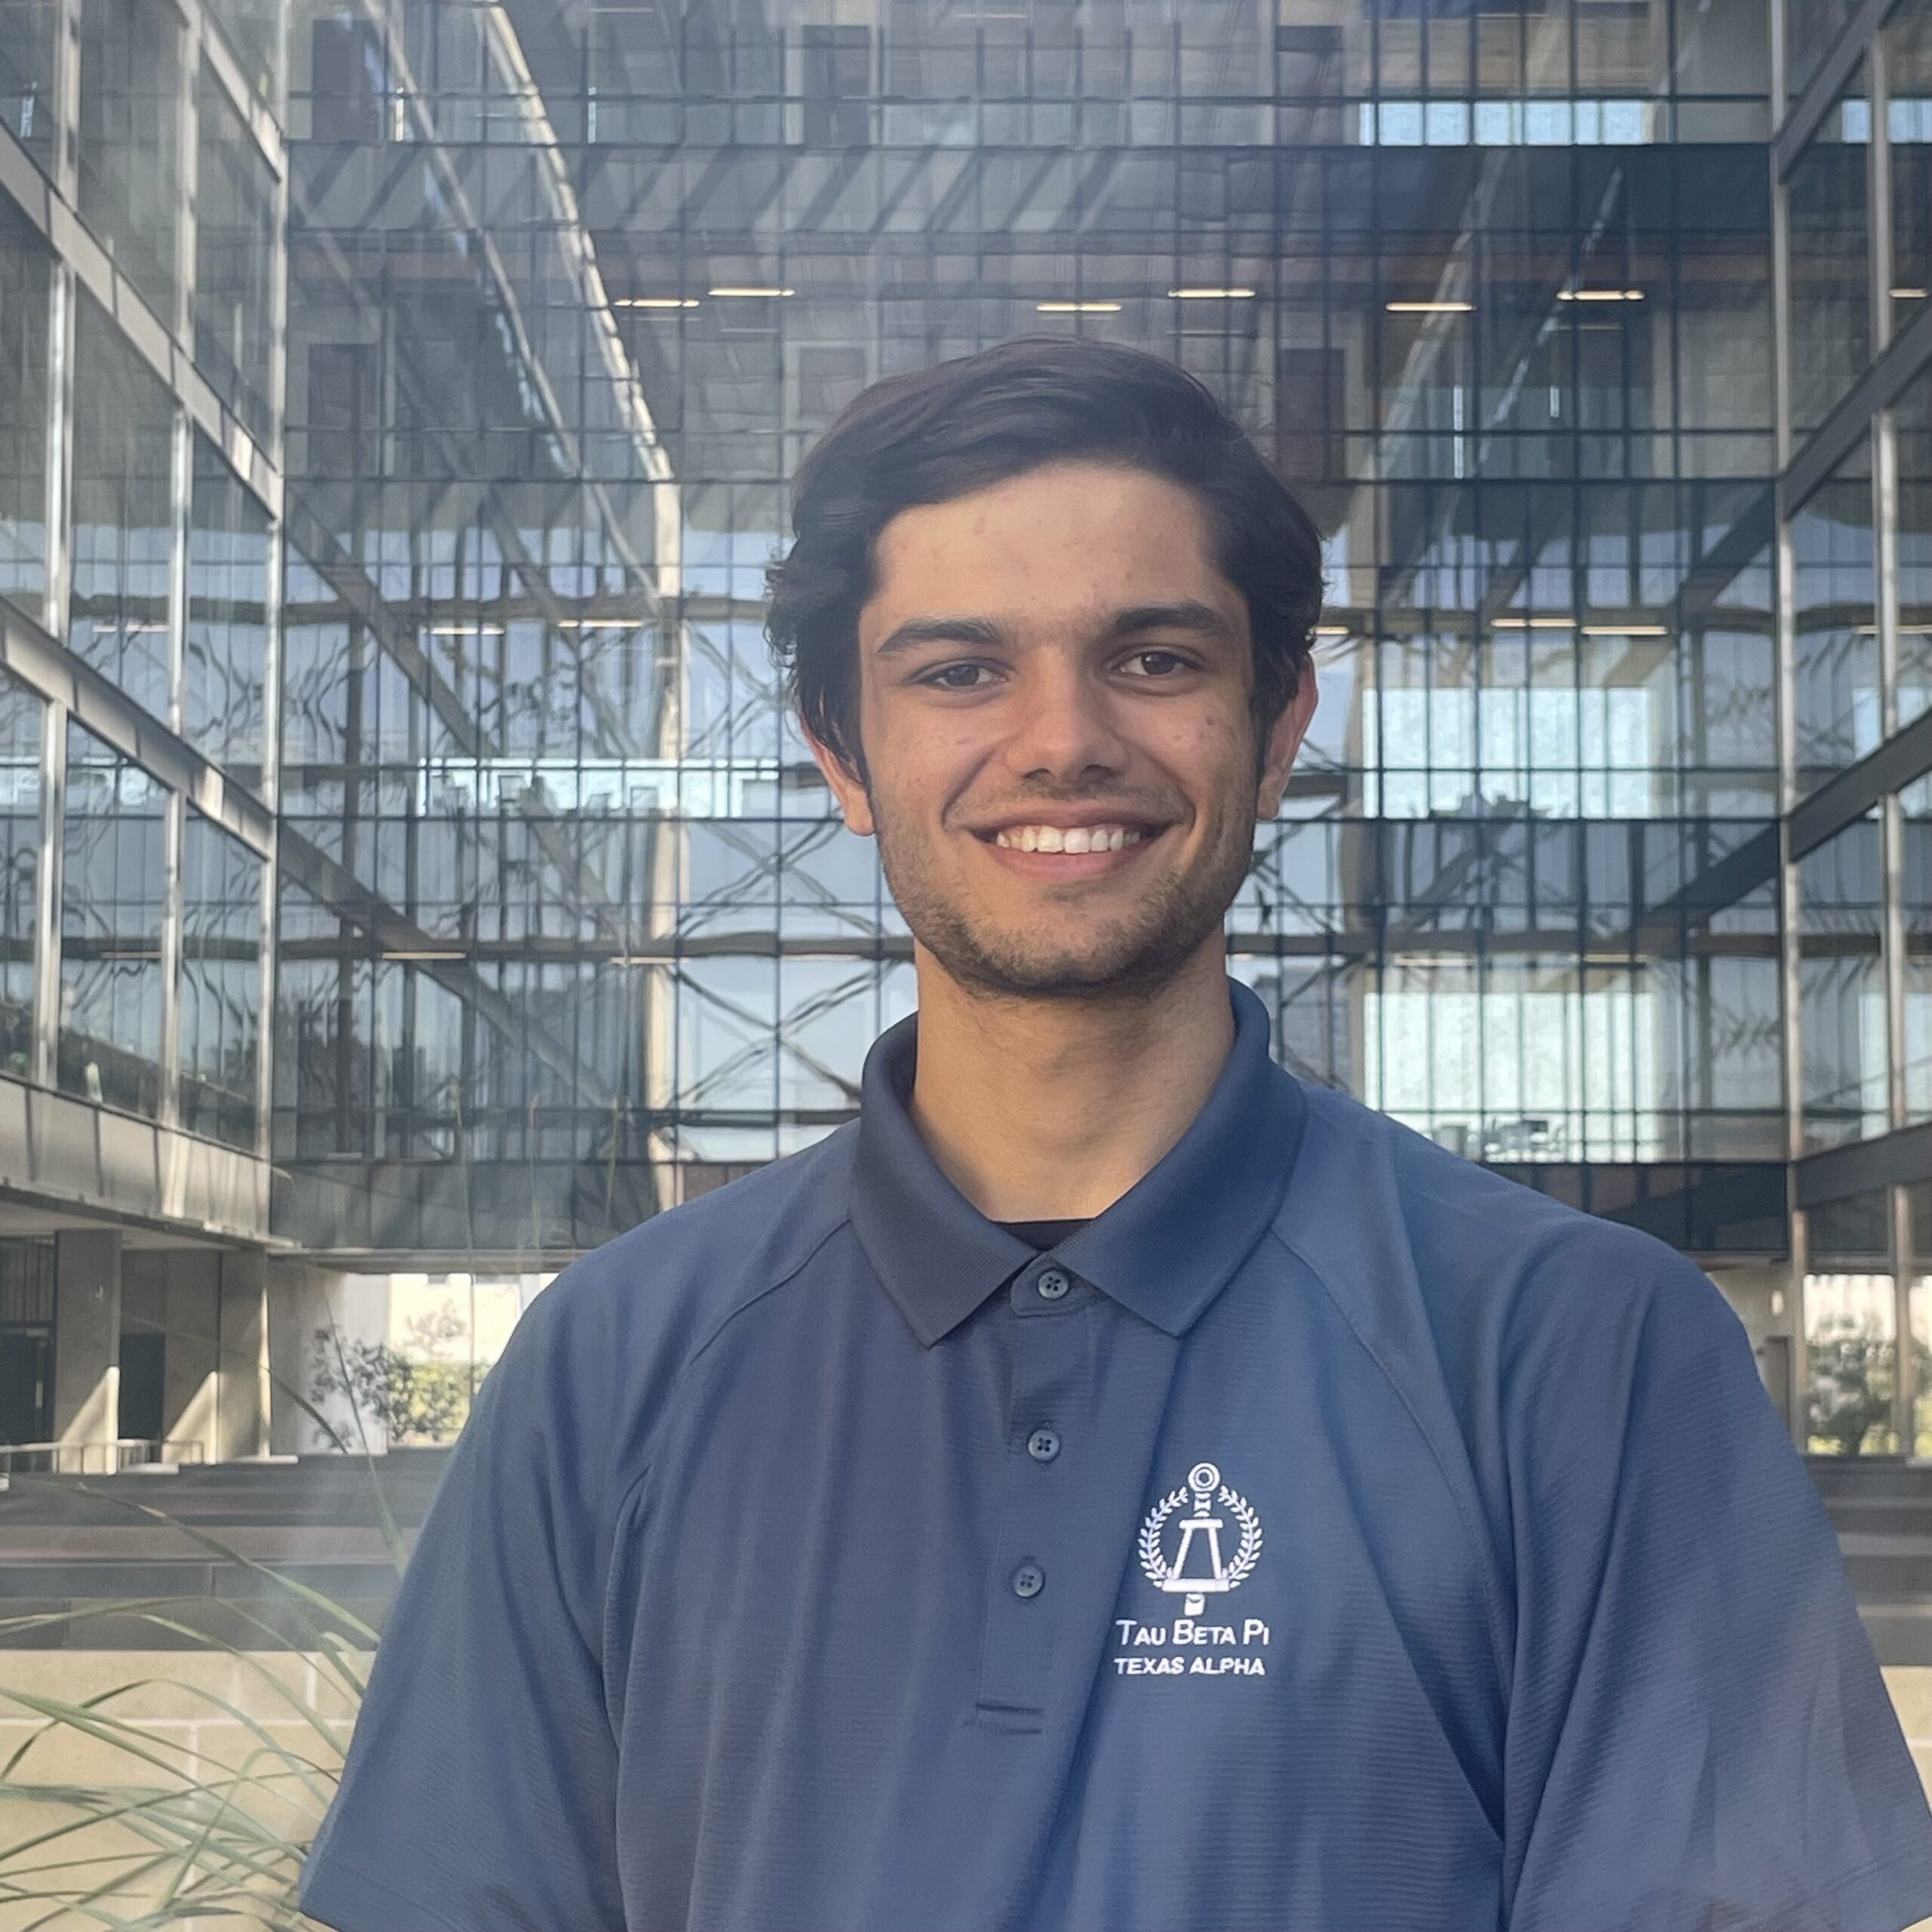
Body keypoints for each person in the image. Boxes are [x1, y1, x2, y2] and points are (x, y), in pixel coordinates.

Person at [298, 337, 1932, 1932]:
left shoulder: (1578, 1350)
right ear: (840, 753)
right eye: (958, 670)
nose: (1061, 739)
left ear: (1277, 727)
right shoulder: (612, 1363)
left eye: (1152, 658)